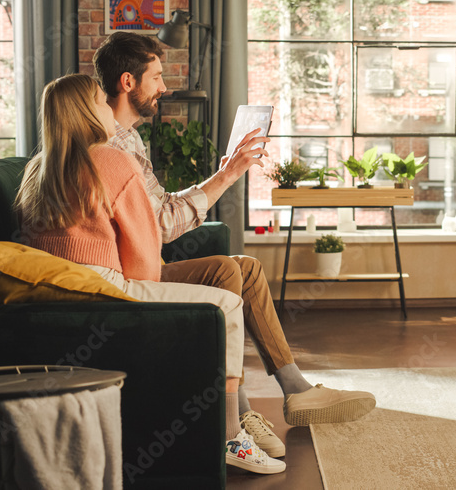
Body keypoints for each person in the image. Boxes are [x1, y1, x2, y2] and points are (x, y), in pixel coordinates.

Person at [92, 32, 375, 452]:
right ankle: (237, 412)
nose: (165, 87)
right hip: (129, 274)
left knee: (247, 267)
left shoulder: (130, 138)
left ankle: (295, 387)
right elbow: (162, 226)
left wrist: (222, 171)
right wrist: (227, 177)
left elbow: (164, 206)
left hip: (142, 263)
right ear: (128, 82)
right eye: (157, 76)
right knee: (225, 268)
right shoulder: (112, 147)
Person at [14, 74, 283, 475]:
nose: (109, 110)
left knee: (226, 279)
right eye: (102, 104)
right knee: (225, 304)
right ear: (89, 111)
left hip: (57, 293)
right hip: (107, 289)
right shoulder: (110, 159)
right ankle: (230, 434)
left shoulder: (36, 171)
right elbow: (144, 258)